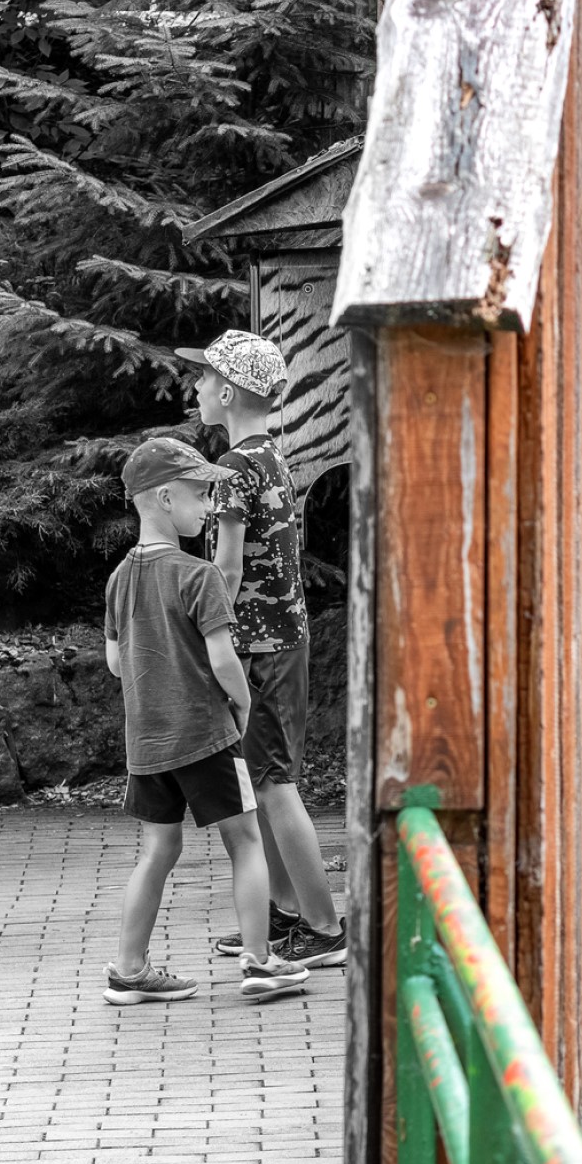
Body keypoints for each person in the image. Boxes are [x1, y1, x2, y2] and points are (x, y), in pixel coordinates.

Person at [102, 435, 309, 1004]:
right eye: (200, 495)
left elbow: (117, 663)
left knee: (157, 851)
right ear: (165, 499)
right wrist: (242, 705)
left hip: (147, 744)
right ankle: (260, 961)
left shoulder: (119, 579)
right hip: (207, 737)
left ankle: (128, 969)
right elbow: (222, 661)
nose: (209, 507)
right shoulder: (200, 577)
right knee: (244, 841)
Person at [181, 330, 345, 969]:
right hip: (282, 644)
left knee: (275, 786)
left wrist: (199, 634)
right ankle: (282, 915)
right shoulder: (271, 459)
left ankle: (327, 929)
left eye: (202, 379)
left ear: (226, 391)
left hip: (258, 650)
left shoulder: (230, 473)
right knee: (262, 782)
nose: (195, 388)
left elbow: (225, 571)